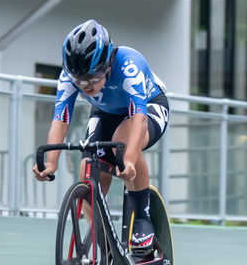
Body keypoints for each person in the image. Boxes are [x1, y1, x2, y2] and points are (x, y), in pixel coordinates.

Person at [32, 19, 170, 251]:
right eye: (79, 80)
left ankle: (143, 218)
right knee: (88, 171)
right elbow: (61, 119)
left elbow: (139, 118)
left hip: (147, 107)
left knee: (123, 146)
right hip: (106, 112)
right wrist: (51, 161)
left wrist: (129, 159)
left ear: (107, 64)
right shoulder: (69, 76)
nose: (84, 85)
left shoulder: (129, 64)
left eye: (92, 78)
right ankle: (106, 246)